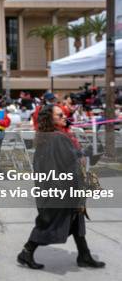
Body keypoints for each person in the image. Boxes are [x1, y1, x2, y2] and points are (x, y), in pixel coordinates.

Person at [17, 104, 105, 270]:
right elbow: (70, 161)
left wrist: (90, 151)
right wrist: (89, 151)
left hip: (59, 187)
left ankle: (84, 254)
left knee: (76, 220)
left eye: (64, 115)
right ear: (50, 119)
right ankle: (26, 252)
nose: (64, 117)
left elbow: (70, 158)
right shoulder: (56, 138)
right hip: (59, 189)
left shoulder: (52, 136)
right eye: (60, 115)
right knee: (49, 223)